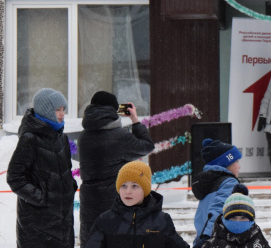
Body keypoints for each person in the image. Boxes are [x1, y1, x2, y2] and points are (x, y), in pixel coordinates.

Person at [78, 91, 155, 246]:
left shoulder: (83, 137)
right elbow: (147, 146)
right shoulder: (119, 136)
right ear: (113, 110)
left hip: (89, 199)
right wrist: (134, 119)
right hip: (114, 199)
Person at [8, 88, 77, 248]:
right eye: (57, 109)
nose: (62, 113)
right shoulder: (29, 139)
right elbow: (14, 177)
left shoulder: (62, 137)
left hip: (63, 222)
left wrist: (69, 186)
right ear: (46, 111)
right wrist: (41, 197)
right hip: (37, 226)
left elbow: (65, 170)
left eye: (63, 109)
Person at [85, 161, 189, 248]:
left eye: (134, 186)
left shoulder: (161, 220)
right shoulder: (105, 221)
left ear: (145, 190)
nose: (128, 191)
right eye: (124, 186)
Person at [191, 139, 243, 247]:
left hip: (204, 237)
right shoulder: (230, 182)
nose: (239, 166)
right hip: (217, 239)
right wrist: (207, 237)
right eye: (237, 161)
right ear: (226, 162)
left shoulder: (211, 183)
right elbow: (220, 208)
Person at [201, 190, 270, 248]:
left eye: (243, 217)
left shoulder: (260, 242)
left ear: (252, 220)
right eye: (233, 217)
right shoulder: (212, 245)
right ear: (224, 219)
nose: (238, 221)